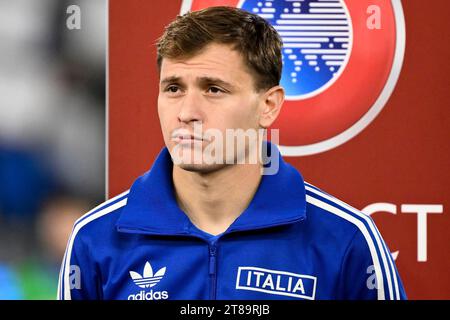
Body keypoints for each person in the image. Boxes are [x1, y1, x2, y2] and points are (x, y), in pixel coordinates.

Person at [58, 6, 406, 300]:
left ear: (268, 106)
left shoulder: (346, 239)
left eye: (213, 89)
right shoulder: (94, 239)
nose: (187, 112)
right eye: (174, 88)